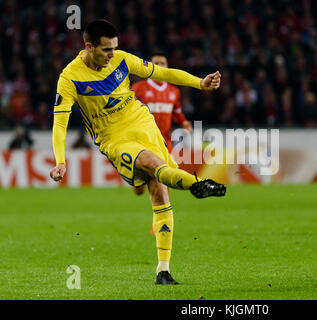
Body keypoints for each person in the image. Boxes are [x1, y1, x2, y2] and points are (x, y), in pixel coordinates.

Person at [49, 19, 226, 285]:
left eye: (114, 48)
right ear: (88, 47)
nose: (112, 54)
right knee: (155, 165)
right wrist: (60, 160)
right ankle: (197, 184)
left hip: (143, 122)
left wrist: (199, 83)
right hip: (114, 138)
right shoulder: (70, 78)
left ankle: (163, 271)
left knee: (159, 188)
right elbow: (59, 122)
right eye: (106, 49)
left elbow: (162, 74)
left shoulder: (121, 59)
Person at [131, 53, 192, 196]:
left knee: (165, 177)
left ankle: (165, 213)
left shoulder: (174, 91)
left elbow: (176, 112)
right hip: (142, 140)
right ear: (149, 67)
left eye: (162, 63)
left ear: (167, 66)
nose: (159, 66)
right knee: (138, 191)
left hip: (165, 141)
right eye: (156, 63)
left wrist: (184, 122)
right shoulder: (138, 88)